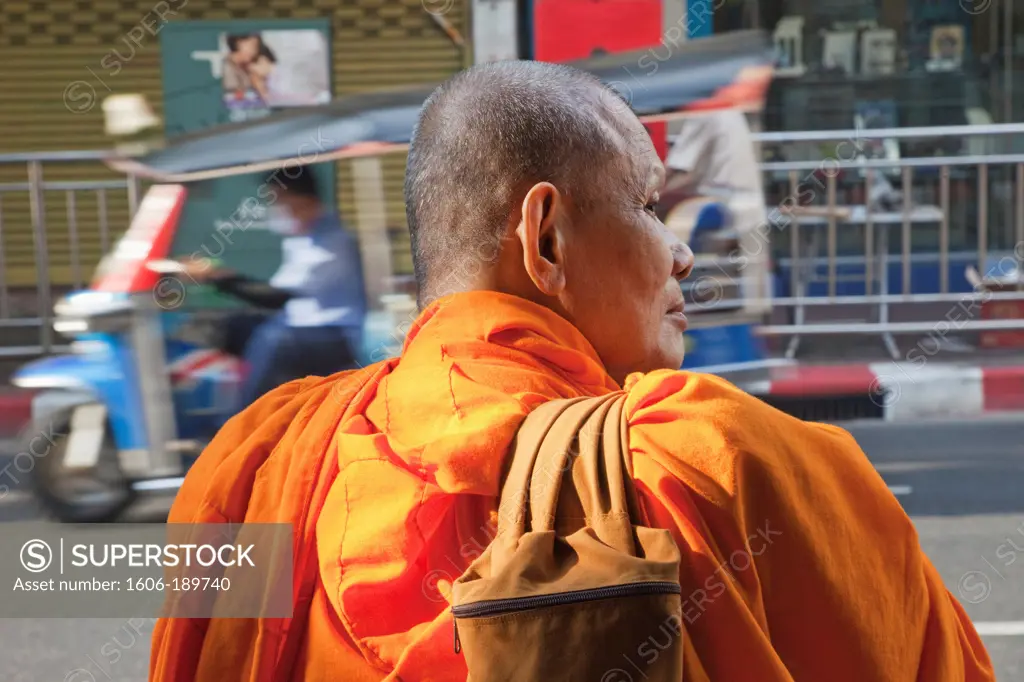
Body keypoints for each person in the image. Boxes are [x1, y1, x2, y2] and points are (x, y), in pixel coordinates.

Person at [150, 61, 994, 681]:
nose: (683, 253)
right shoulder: (710, 462)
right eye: (649, 205)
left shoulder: (258, 460)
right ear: (546, 238)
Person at [180, 164, 367, 416]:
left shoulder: (332, 243)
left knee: (273, 339)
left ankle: (242, 422)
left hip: (333, 336)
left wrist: (217, 278)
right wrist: (218, 278)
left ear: (303, 201)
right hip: (303, 327)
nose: (276, 209)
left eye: (280, 201)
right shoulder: (305, 239)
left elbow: (276, 297)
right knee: (232, 326)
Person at [660, 109, 771, 315]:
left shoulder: (706, 112)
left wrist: (647, 189)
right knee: (744, 289)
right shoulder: (731, 112)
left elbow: (679, 166)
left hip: (724, 203)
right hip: (743, 205)